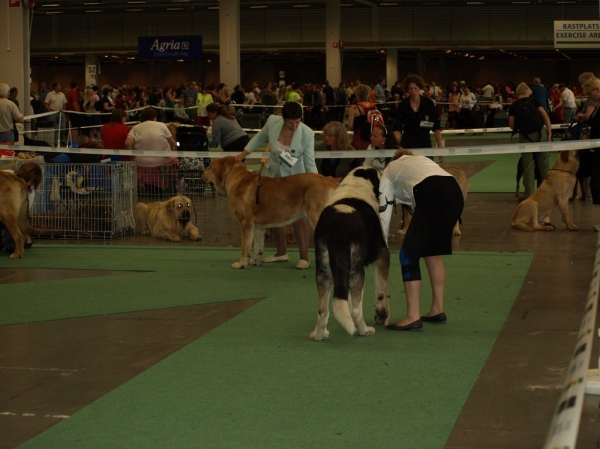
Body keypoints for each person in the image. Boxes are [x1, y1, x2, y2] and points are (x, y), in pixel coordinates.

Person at [379, 149, 464, 331]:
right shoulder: (420, 162)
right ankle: (437, 309)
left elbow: (384, 209)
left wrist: (382, 244)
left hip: (432, 192)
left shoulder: (389, 169)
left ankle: (412, 316)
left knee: (407, 255)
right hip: (454, 192)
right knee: (431, 252)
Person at [234, 101, 316, 269]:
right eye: (290, 122)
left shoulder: (307, 134)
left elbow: (309, 162)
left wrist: (314, 184)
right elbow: (258, 138)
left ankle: (304, 257)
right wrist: (243, 154)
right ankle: (281, 253)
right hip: (271, 175)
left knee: (299, 216)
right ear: (283, 118)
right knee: (275, 213)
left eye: (298, 122)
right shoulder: (272, 122)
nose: (294, 126)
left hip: (295, 179)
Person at [508, 82, 552, 201]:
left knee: (528, 165)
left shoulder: (514, 106)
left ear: (518, 94)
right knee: (543, 163)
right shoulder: (534, 101)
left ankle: (529, 195)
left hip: (525, 136)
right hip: (540, 133)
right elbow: (545, 116)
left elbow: (511, 125)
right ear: (527, 92)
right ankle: (546, 193)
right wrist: (549, 132)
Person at [393, 74, 443, 161]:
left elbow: (436, 128)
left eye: (415, 88)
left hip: (425, 145)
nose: (413, 91)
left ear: (420, 88)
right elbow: (398, 128)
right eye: (410, 88)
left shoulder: (429, 104)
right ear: (407, 90)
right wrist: (393, 148)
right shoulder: (402, 106)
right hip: (407, 145)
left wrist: (441, 149)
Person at [0, 162, 43, 253]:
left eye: (32, 182)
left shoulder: (30, 191)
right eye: (28, 179)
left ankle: (25, 239)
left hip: (13, 218)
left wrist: (24, 230)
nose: (29, 183)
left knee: (11, 247)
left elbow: (22, 215)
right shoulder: (6, 176)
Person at [346, 83, 375, 150]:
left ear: (357, 95)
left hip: (359, 136)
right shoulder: (373, 106)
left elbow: (350, 126)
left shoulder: (354, 108)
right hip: (371, 135)